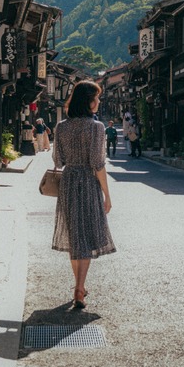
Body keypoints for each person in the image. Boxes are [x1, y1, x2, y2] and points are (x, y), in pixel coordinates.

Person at [51, 80, 116, 309]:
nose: (98, 102)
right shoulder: (96, 127)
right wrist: (107, 195)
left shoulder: (61, 127)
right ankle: (80, 288)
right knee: (87, 236)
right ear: (89, 102)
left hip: (69, 182)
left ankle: (77, 286)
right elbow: (98, 164)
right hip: (88, 182)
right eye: (96, 98)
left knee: (74, 236)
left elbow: (57, 159)